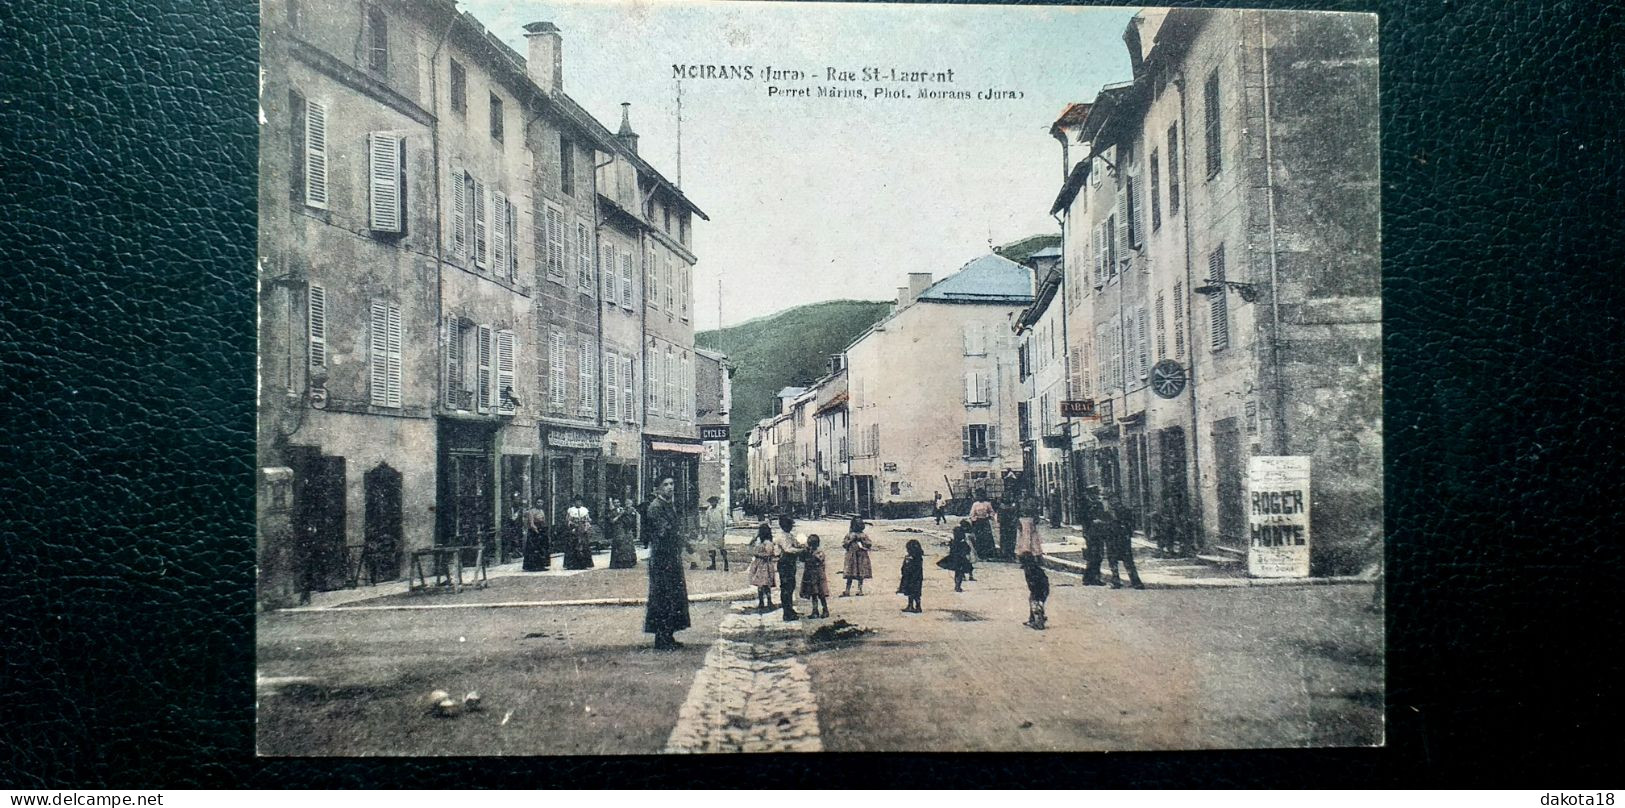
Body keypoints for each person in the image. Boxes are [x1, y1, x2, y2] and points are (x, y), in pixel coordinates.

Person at [643, 477, 691, 650]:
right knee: (662, 597)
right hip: (662, 558)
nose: (670, 487)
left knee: (673, 597)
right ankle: (661, 638)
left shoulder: (669, 505)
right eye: (666, 485)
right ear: (658, 489)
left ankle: (669, 635)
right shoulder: (656, 507)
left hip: (671, 557)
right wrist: (677, 533)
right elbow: (663, 532)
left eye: (672, 484)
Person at [1104, 496, 1145, 590]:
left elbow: (1130, 524)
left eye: (1114, 500)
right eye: (1111, 500)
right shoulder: (1107, 513)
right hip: (1112, 539)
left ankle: (1135, 582)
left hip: (1121, 539)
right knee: (1114, 561)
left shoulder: (1125, 511)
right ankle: (1117, 581)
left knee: (1127, 561)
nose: (1112, 502)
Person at [774, 515, 805, 621]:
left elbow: (795, 544)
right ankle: (786, 612)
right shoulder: (782, 536)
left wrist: (800, 546)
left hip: (790, 563)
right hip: (784, 563)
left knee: (791, 587)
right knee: (786, 588)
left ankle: (790, 609)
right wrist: (800, 551)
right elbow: (788, 549)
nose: (791, 527)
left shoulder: (790, 535)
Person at [747, 523, 778, 612]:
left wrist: (757, 554)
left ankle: (768, 601)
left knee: (765, 584)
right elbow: (750, 544)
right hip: (759, 565)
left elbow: (769, 554)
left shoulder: (768, 543)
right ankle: (762, 602)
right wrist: (755, 537)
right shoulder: (760, 542)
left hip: (765, 565)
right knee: (760, 585)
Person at [937, 519, 975, 592]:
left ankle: (957, 586)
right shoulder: (963, 543)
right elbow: (967, 550)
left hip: (954, 559)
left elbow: (951, 550)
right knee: (960, 573)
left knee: (957, 573)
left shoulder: (953, 542)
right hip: (962, 559)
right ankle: (958, 586)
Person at [839, 517, 873, 597]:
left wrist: (862, 540)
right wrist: (851, 540)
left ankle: (859, 589)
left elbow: (869, 544)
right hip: (852, 557)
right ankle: (847, 590)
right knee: (850, 574)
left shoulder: (863, 535)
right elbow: (844, 544)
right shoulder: (849, 535)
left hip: (861, 557)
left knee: (861, 573)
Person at [800, 535, 831, 619]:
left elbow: (820, 559)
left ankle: (825, 610)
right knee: (814, 594)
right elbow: (801, 559)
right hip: (811, 575)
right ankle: (815, 611)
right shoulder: (808, 552)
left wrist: (811, 554)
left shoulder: (819, 552)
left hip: (818, 575)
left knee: (821, 594)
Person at [1082, 487, 1108, 586]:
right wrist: (1092, 521)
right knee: (1093, 555)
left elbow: (1103, 515)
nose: (1096, 495)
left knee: (1099, 555)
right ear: (1089, 494)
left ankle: (1092, 578)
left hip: (1099, 532)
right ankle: (1090, 578)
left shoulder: (1099, 504)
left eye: (1096, 494)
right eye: (1094, 494)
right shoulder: (1085, 504)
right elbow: (1082, 518)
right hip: (1090, 533)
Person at [1019, 551, 1050, 630]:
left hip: (1038, 589)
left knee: (1035, 604)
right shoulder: (1035, 568)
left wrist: (1034, 592)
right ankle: (1033, 619)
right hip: (1043, 588)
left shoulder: (1030, 570)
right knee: (1036, 602)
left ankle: (1038, 622)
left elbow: (1034, 582)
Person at [563, 496, 594, 570]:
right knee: (573, 545)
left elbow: (587, 520)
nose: (578, 503)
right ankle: (572, 564)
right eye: (577, 501)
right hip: (574, 529)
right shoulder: (571, 510)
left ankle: (584, 564)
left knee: (583, 545)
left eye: (579, 501)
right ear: (574, 502)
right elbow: (567, 520)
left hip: (582, 529)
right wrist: (571, 525)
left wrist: (587, 526)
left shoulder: (585, 510)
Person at [607, 497, 639, 569]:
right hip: (617, 529)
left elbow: (630, 517)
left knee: (625, 546)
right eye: (615, 503)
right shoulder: (612, 511)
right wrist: (619, 515)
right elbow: (612, 521)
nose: (616, 504)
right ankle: (617, 563)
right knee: (617, 546)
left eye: (618, 502)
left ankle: (626, 563)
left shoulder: (623, 509)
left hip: (624, 529)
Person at [701, 496, 730, 571]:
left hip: (719, 531)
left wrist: (725, 528)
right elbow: (706, 521)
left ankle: (726, 564)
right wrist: (705, 529)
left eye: (714, 501)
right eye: (711, 502)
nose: (713, 503)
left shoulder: (721, 509)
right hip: (711, 532)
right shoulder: (708, 510)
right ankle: (713, 564)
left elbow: (724, 519)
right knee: (711, 549)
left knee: (721, 548)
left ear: (716, 502)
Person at [522, 497, 550, 572]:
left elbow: (543, 521)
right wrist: (536, 531)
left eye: (541, 502)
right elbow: (531, 523)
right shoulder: (531, 511)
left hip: (541, 530)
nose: (540, 504)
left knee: (542, 548)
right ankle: (532, 566)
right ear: (535, 503)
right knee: (533, 548)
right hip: (534, 532)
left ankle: (541, 565)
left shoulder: (542, 511)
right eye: (538, 502)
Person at [897, 539, 925, 613]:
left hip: (913, 578)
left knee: (914, 593)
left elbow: (914, 568)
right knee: (911, 593)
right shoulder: (916, 557)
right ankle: (912, 606)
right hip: (912, 577)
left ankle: (916, 606)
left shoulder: (916, 558)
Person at [969, 491, 997, 560]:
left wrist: (989, 516)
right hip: (978, 522)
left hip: (985, 521)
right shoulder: (975, 504)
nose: (980, 497)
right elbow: (972, 514)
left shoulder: (987, 504)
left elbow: (992, 512)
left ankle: (989, 554)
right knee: (979, 538)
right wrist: (975, 519)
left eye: (982, 495)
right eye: (979, 495)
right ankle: (980, 554)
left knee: (987, 537)